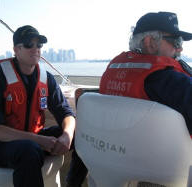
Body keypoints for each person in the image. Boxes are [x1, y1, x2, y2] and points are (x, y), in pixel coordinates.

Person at [67, 11, 192, 187]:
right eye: (175, 41)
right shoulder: (168, 80)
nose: (180, 48)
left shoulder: (111, 71)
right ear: (149, 42)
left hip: (110, 169)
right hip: (159, 174)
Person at [0, 25, 76, 187]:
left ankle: (74, 183)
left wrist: (67, 135)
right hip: (2, 145)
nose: (35, 49)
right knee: (29, 150)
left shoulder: (46, 79)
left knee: (81, 134)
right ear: (16, 50)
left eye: (38, 45)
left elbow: (65, 113)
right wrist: (39, 140)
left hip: (35, 137)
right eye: (28, 45)